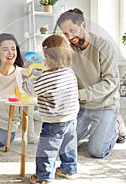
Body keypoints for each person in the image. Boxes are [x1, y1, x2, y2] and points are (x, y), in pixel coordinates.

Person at [56, 8, 126, 158]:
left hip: (105, 105)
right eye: (65, 33)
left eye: (72, 30)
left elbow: (111, 83)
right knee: (62, 144)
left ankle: (116, 125)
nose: (69, 37)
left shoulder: (103, 46)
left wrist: (79, 94)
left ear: (83, 25)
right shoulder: (68, 49)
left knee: (97, 151)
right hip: (82, 106)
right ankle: (97, 130)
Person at [22, 35, 79, 184]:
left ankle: (44, 176)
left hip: (53, 121)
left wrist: (27, 78)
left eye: (45, 56)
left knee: (47, 149)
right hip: (71, 117)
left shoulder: (45, 77)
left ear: (48, 56)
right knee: (69, 144)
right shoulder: (69, 73)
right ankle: (69, 169)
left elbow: (30, 90)